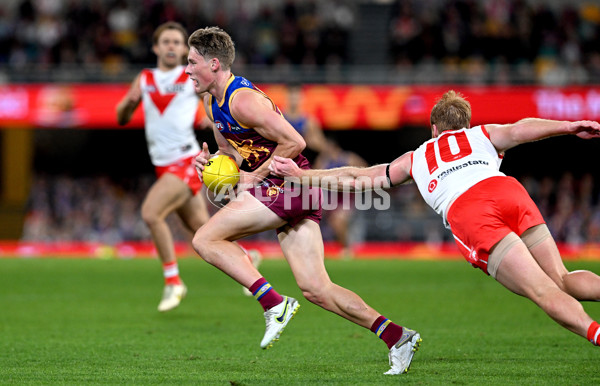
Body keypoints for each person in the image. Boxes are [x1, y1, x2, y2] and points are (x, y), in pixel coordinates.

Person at [269, 90, 600, 348]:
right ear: (465, 125)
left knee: (542, 291)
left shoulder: (416, 158)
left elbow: (358, 177)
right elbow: (520, 129)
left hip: (471, 211)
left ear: (433, 128)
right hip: (508, 192)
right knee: (562, 279)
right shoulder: (482, 135)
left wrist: (302, 176)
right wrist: (568, 127)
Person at [187, 26, 421, 375]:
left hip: (289, 183)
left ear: (215, 64)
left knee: (205, 238)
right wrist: (213, 165)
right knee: (317, 288)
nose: (187, 70)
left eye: (192, 62)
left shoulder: (243, 100)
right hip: (290, 187)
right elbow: (229, 152)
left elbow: (295, 141)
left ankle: (273, 303)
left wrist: (255, 175)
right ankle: (398, 337)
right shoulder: (211, 101)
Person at [115, 22, 263, 311]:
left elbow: (215, 99)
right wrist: (129, 104)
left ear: (184, 50)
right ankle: (247, 257)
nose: (172, 46)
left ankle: (173, 281)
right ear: (156, 48)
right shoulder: (144, 79)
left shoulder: (189, 78)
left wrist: (216, 122)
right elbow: (121, 116)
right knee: (201, 230)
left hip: (185, 161)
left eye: (177, 42)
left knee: (151, 213)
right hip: (163, 166)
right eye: (166, 41)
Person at [313, 139, 368, 258]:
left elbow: (366, 170)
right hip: (331, 199)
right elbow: (314, 175)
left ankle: (347, 249)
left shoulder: (348, 158)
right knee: (330, 223)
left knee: (338, 222)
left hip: (347, 198)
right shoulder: (324, 160)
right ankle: (344, 247)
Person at [285, 83, 327, 161]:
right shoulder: (281, 118)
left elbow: (321, 146)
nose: (294, 98)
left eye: (296, 95)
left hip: (301, 164)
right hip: (283, 161)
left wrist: (309, 140)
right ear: (287, 96)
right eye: (291, 94)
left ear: (302, 98)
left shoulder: (309, 121)